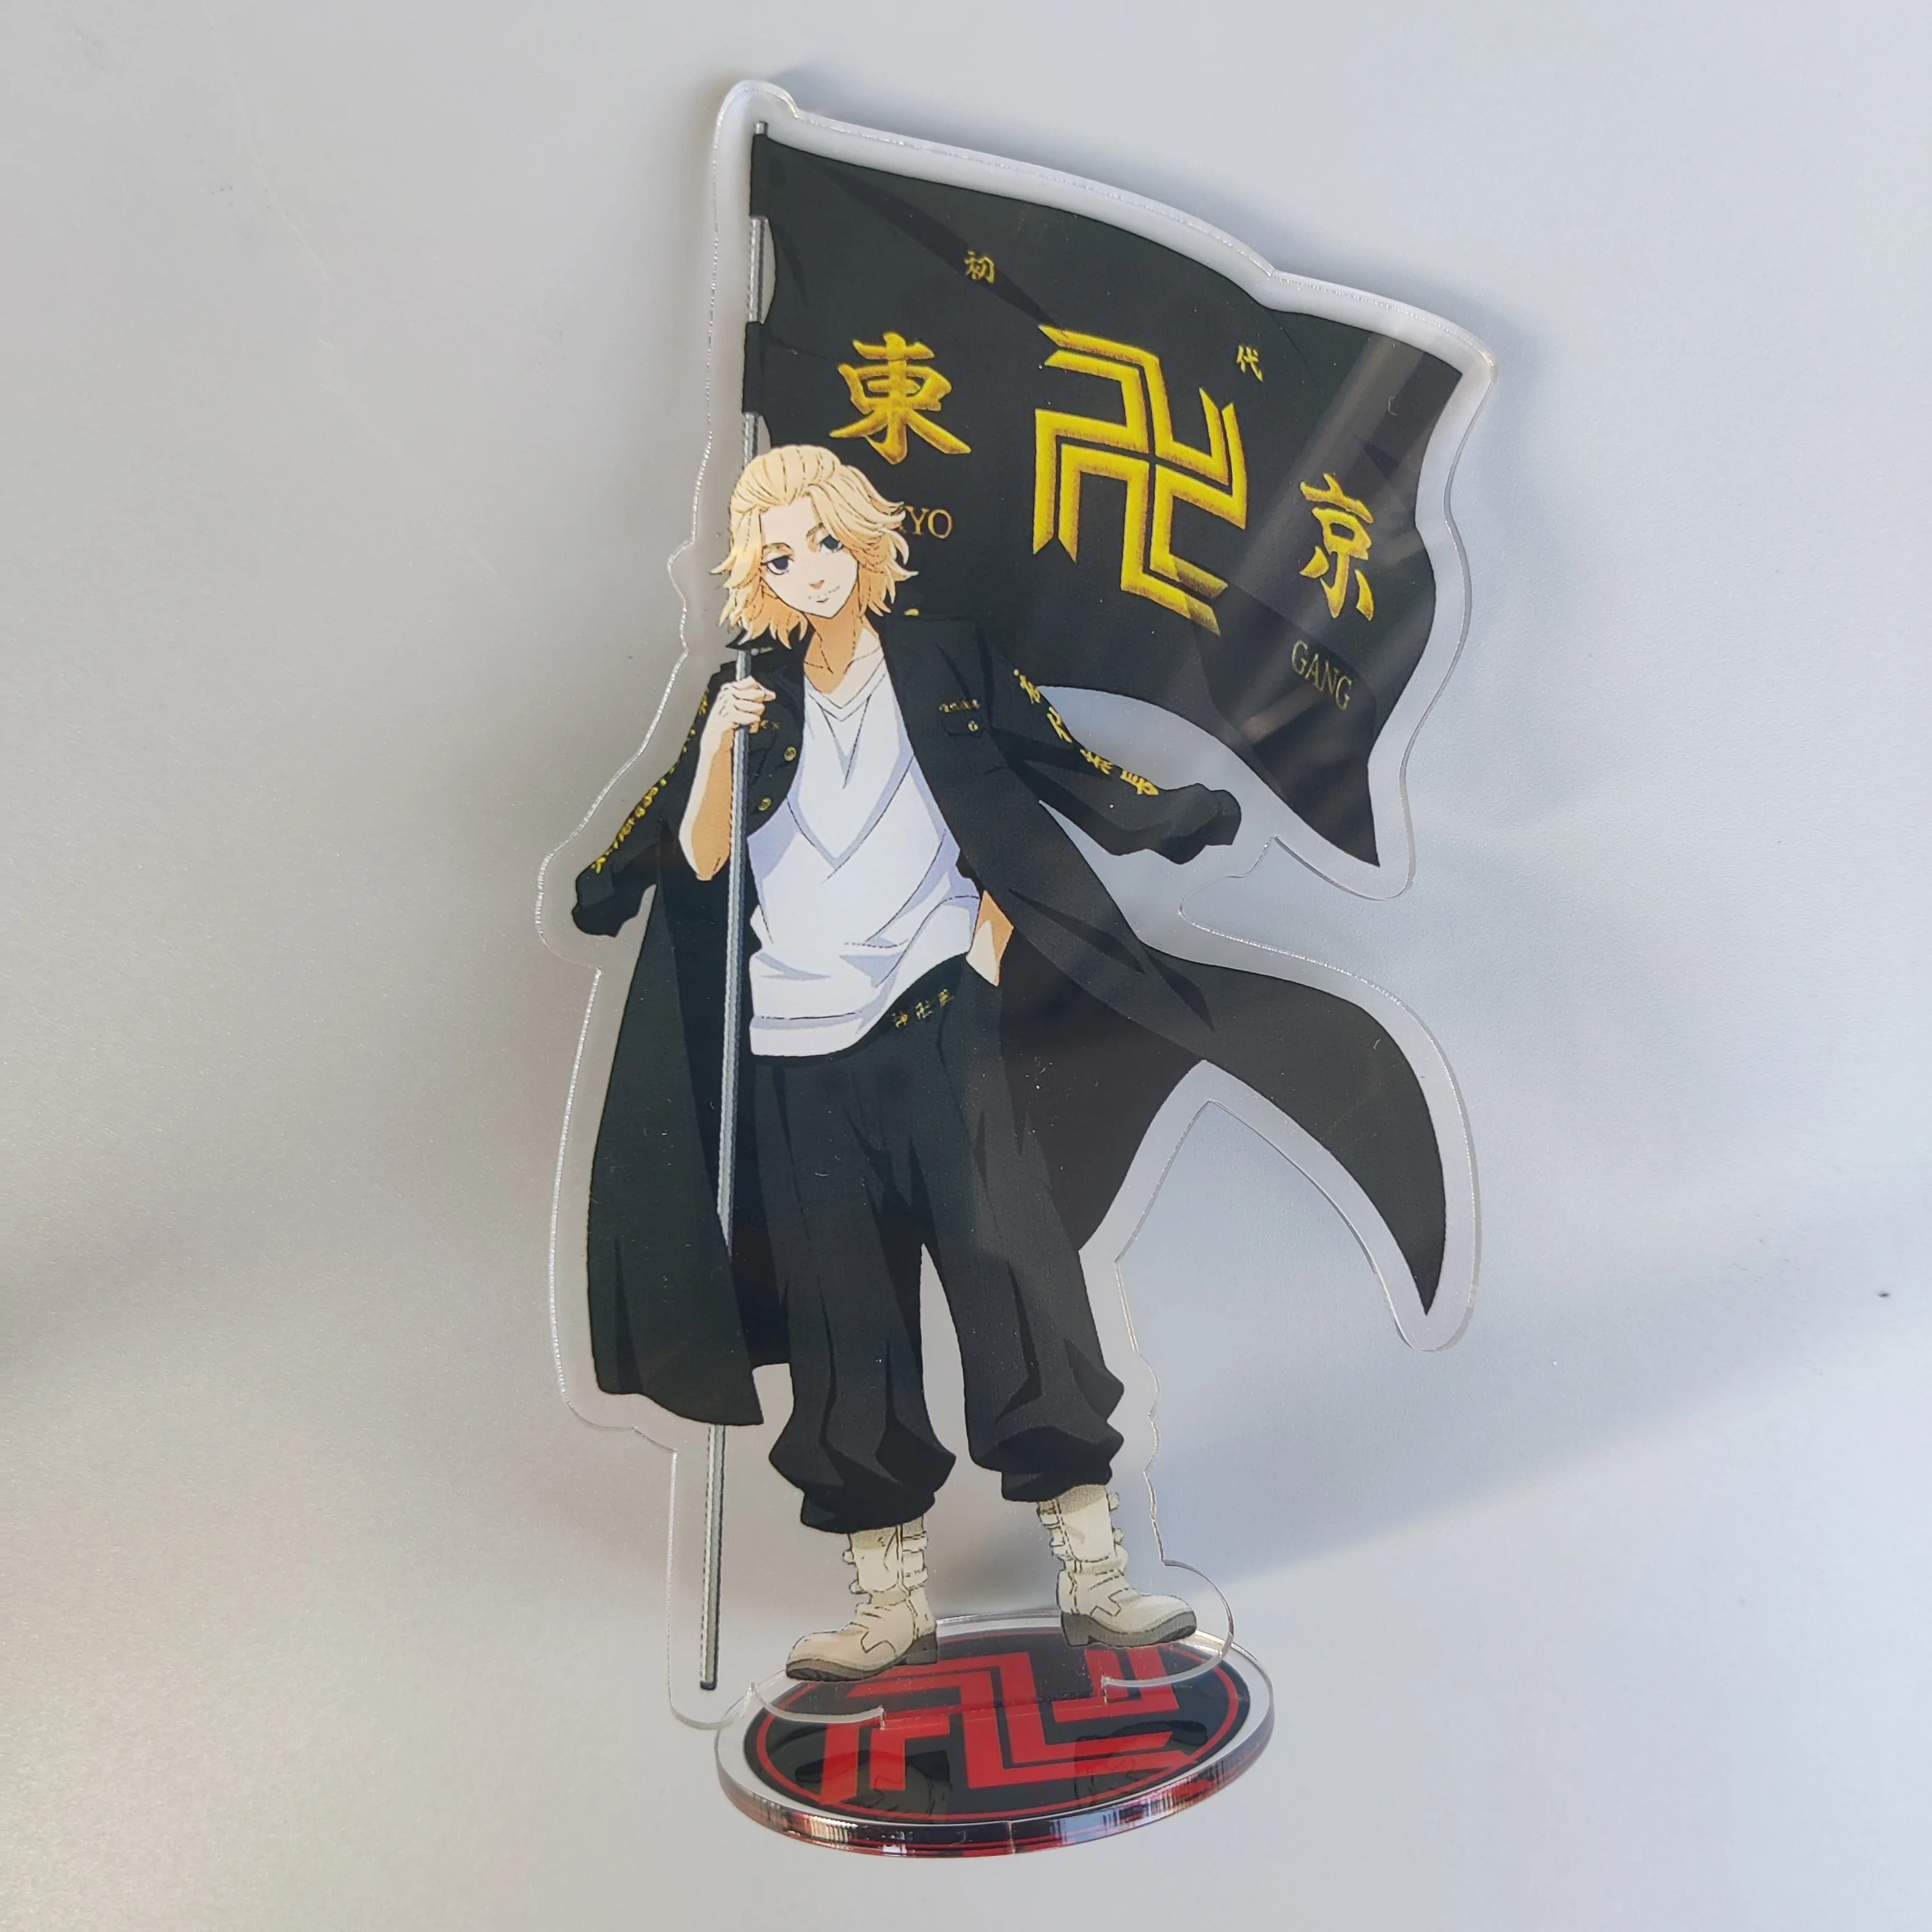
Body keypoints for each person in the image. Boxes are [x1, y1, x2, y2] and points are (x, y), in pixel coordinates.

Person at [573, 444, 1443, 1680]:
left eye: (826, 541)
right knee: (843, 1322)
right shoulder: (748, 694)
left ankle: (1094, 1574)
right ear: (754, 574)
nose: (810, 570)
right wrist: (717, 748)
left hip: (941, 1018)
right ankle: (888, 1604)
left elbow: (1056, 764)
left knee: (1017, 1278)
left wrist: (1140, 839)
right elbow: (687, 863)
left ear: (866, 540)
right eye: (781, 554)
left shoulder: (944, 658)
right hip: (797, 1054)